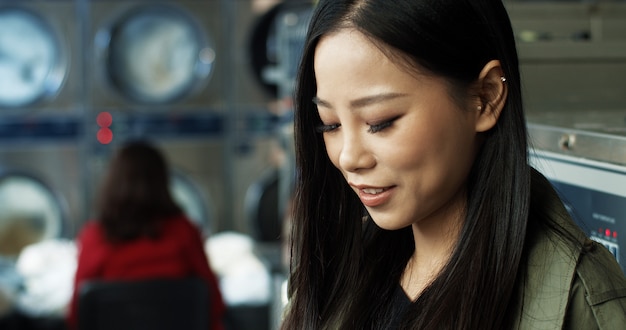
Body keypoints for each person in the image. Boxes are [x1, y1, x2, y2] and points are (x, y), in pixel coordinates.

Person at [280, 0, 626, 329]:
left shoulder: (577, 302)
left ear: (486, 97)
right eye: (330, 124)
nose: (349, 158)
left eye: (380, 121)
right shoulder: (339, 269)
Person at [66, 140, 225, 330]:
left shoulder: (95, 236)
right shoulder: (184, 232)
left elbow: (78, 315)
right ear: (163, 182)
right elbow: (213, 304)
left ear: (113, 181)